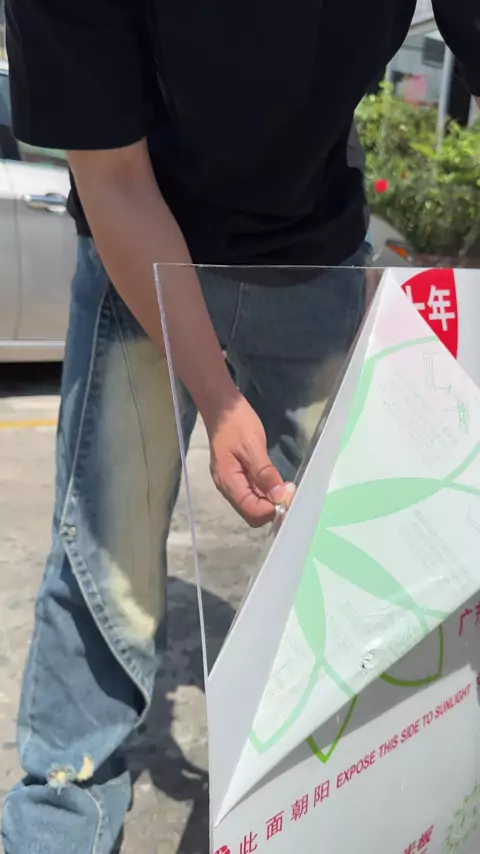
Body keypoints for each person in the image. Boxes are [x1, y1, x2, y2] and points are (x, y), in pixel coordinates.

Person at [2, 0, 479, 850]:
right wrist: (220, 403)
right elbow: (112, 177)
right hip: (138, 248)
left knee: (357, 561)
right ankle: (59, 821)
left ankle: (347, 803)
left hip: (315, 254)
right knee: (104, 563)